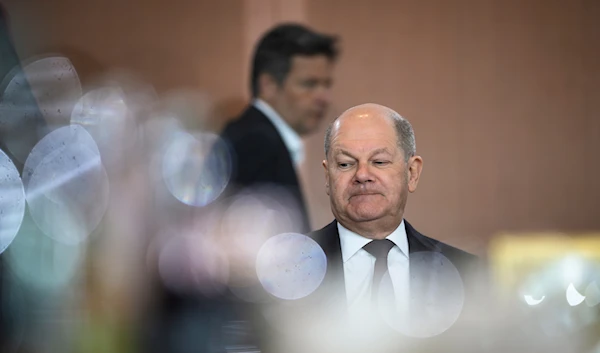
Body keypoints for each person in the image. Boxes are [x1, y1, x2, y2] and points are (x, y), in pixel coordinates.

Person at [220, 23, 339, 233]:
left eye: (327, 85)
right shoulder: (256, 144)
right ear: (269, 86)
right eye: (309, 84)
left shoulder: (256, 136)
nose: (324, 98)